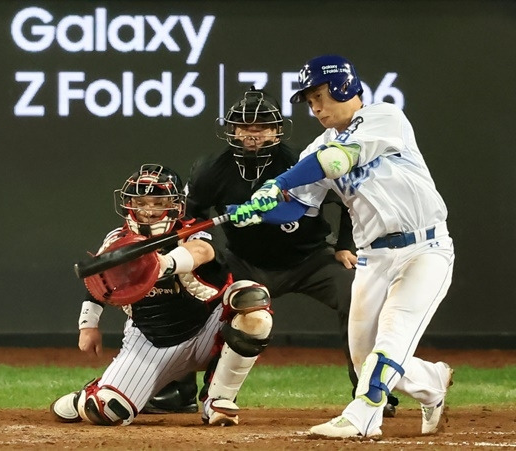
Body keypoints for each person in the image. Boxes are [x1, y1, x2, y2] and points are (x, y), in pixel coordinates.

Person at [228, 55, 454, 438]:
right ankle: (433, 382)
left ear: (344, 87)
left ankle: (364, 417)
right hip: (373, 258)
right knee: (366, 357)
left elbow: (336, 160)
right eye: (308, 99)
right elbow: (300, 206)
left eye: (319, 95)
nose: (315, 106)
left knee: (391, 338)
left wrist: (276, 183)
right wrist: (255, 211)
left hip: (424, 249)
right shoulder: (315, 147)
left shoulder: (386, 117)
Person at [145, 87, 400, 418]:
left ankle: (371, 391)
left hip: (310, 260)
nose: (253, 135)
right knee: (191, 302)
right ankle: (180, 390)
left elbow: (347, 201)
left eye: (262, 126)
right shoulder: (211, 168)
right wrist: (199, 246)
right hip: (244, 263)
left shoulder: (300, 161)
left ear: (277, 129)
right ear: (232, 129)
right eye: (246, 127)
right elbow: (192, 216)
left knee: (358, 297)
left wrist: (344, 247)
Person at [50, 163, 273, 427]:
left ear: (175, 204)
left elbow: (201, 251)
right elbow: (99, 284)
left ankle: (218, 401)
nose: (147, 210)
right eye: (140, 202)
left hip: (208, 327)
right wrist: (88, 325)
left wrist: (162, 264)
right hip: (151, 341)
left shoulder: (192, 228)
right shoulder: (117, 241)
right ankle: (87, 396)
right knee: (106, 412)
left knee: (253, 303)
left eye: (158, 202)